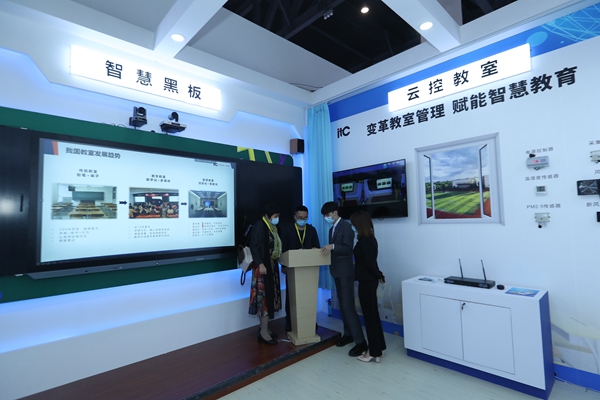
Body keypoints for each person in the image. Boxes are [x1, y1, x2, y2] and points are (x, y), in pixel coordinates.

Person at [320, 201, 367, 357]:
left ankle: (361, 342)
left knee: (348, 306)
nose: (326, 218)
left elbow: (347, 249)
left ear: (335, 212)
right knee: (342, 305)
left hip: (346, 272)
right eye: (324, 216)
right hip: (336, 271)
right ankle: (349, 334)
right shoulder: (332, 229)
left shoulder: (346, 227)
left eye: (327, 215)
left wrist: (333, 247)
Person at [351, 210, 386, 363]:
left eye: (353, 224)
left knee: (370, 317)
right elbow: (371, 262)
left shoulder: (365, 241)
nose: (352, 226)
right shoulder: (370, 239)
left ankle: (373, 351)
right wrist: (379, 274)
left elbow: (370, 263)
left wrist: (379, 274)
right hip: (369, 280)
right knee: (373, 316)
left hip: (367, 282)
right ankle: (378, 348)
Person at [280, 205, 320, 332]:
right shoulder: (287, 230)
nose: (303, 220)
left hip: (309, 270)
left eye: (305, 218)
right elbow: (283, 250)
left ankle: (309, 322)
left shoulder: (312, 230)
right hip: (292, 270)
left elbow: (317, 248)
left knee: (308, 297)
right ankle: (290, 322)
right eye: (300, 217)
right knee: (291, 298)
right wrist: (284, 266)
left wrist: (315, 250)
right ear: (295, 217)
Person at [248, 203, 283, 345]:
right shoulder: (260, 226)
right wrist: (260, 263)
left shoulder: (272, 227)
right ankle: (263, 332)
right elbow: (254, 246)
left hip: (271, 266)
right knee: (264, 301)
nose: (276, 218)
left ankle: (265, 328)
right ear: (267, 216)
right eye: (274, 216)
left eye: (278, 216)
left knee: (270, 298)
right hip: (262, 268)